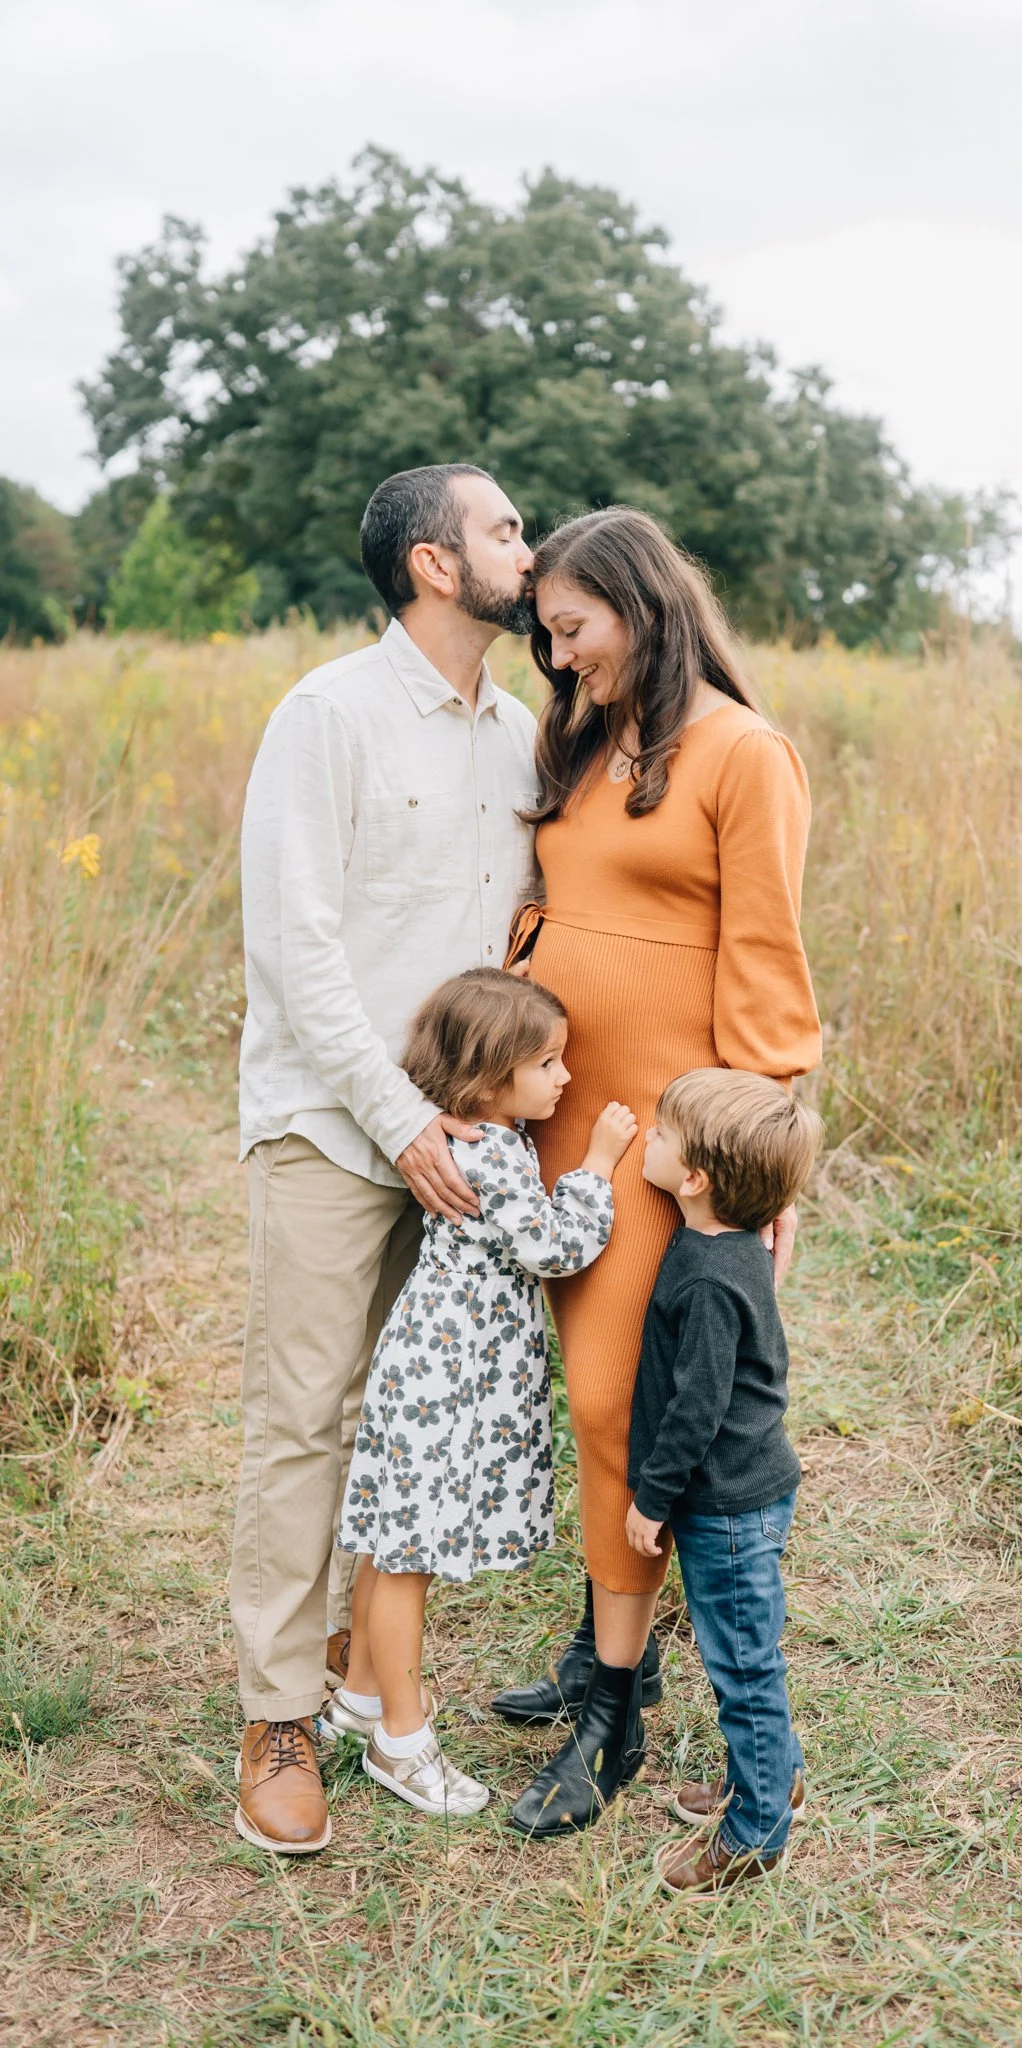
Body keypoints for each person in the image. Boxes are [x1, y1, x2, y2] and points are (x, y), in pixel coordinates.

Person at [497, 508, 823, 1838]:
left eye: (573, 630)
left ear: (643, 605)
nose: (560, 660)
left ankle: (612, 1718)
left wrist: (759, 1177)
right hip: (564, 1124)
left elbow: (766, 964)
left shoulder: (745, 754)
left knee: (615, 1407)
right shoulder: (581, 740)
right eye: (547, 639)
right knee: (587, 1402)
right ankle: (597, 1645)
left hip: (671, 1146)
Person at [231, 463, 538, 1856]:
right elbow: (297, 950)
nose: (525, 550)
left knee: (427, 1416)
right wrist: (397, 1118)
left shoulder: (521, 734)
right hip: (332, 1123)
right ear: (433, 563)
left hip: (463, 1144)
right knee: (310, 1415)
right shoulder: (329, 716)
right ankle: (277, 1715)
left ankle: (370, 1673)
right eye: (504, 530)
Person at [322, 968, 636, 1818]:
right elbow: (553, 1248)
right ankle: (402, 1737)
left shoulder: (477, 1135)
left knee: (392, 1538)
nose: (565, 1078)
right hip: (450, 1375)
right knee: (407, 1554)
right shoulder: (495, 1150)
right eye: (548, 1064)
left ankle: (355, 1700)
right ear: (490, 1077)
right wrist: (598, 1166)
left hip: (433, 1358)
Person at [625, 1069, 821, 1895]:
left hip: (727, 1504)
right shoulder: (727, 1243)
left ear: (697, 1179)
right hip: (745, 1491)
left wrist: (651, 1498)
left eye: (662, 1134)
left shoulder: (708, 1278)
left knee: (742, 1664)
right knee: (747, 1655)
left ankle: (756, 1831)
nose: (649, 1141)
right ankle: (776, 1780)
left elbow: (694, 1406)